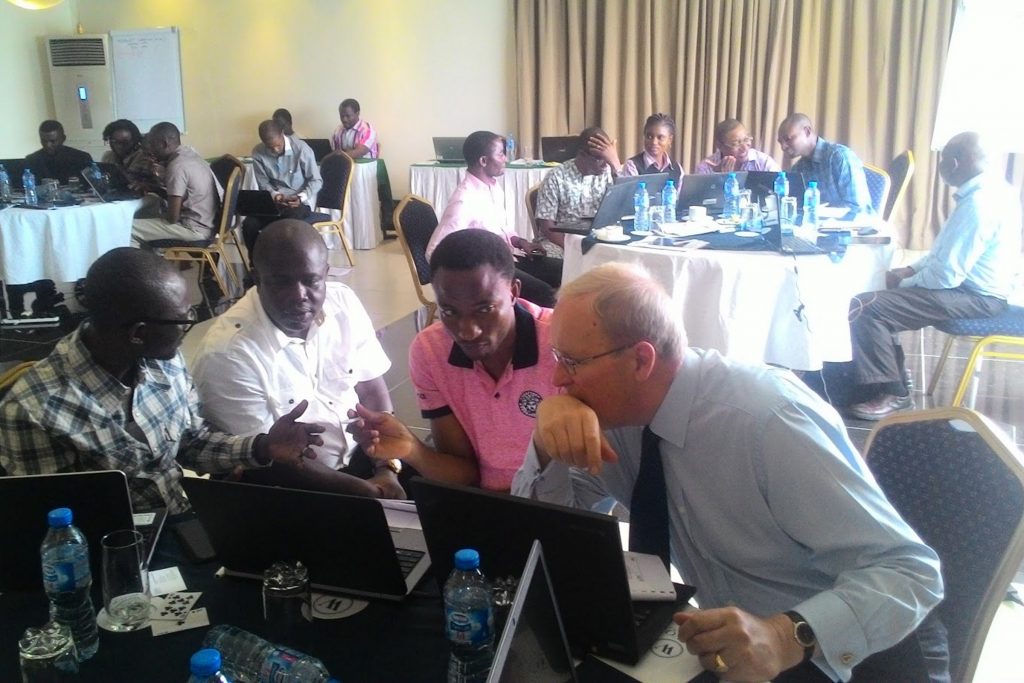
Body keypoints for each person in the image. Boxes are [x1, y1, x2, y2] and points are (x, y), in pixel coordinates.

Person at [511, 262, 946, 682]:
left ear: (641, 361)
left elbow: (911, 573)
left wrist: (784, 636)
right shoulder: (617, 417)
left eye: (573, 362)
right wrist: (547, 448)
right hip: (730, 651)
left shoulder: (768, 419)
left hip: (835, 653)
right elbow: (547, 543)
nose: (557, 378)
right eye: (557, 357)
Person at [0, 248, 325, 514]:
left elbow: (192, 443)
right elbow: (54, 526)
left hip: (181, 517)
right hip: (115, 549)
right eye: (181, 320)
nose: (187, 328)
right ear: (139, 333)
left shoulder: (163, 362)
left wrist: (264, 446)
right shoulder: (33, 410)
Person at [191, 220, 404, 499]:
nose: (298, 295)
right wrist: (367, 493)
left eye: (311, 280)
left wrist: (386, 467)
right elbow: (274, 459)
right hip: (286, 485)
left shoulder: (343, 303)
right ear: (257, 279)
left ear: (325, 274)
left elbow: (372, 391)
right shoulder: (227, 353)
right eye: (281, 282)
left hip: (363, 460)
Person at [352, 230, 559, 492]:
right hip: (481, 499)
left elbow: (582, 475)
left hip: (555, 497)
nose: (467, 331)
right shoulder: (431, 351)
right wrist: (412, 449)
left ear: (513, 291)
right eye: (449, 311)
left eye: (484, 309)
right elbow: (464, 474)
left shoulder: (560, 343)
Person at [845, 132, 1021, 420]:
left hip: (976, 297)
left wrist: (904, 282)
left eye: (942, 160)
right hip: (970, 288)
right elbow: (942, 252)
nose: (940, 167)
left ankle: (894, 392)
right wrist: (912, 269)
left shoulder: (979, 205)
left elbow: (946, 275)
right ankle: (895, 376)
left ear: (955, 162)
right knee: (881, 298)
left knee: (866, 306)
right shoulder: (991, 191)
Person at [426, 130, 561, 307]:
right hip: (490, 270)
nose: (505, 159)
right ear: (483, 161)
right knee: (545, 293)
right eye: (500, 154)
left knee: (564, 271)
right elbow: (434, 250)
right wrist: (472, 276)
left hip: (508, 257)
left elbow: (501, 228)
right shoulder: (464, 200)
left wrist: (521, 242)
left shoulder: (493, 187)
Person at [242, 120, 327, 256]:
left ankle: (287, 262)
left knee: (286, 224)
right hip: (274, 203)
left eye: (278, 145)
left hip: (299, 203)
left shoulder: (301, 149)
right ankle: (255, 263)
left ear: (282, 134)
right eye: (270, 147)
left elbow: (316, 180)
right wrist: (275, 195)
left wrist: (301, 197)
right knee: (249, 224)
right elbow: (263, 183)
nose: (275, 150)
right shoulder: (258, 152)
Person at [131, 122, 222, 245]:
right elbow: (185, 197)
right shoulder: (190, 155)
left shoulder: (176, 166)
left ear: (164, 144)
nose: (150, 150)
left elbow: (173, 218)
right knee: (149, 217)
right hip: (207, 224)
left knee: (128, 228)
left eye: (152, 145)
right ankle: (153, 256)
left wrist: (157, 218)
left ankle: (144, 258)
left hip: (192, 229)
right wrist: (154, 189)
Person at [535, 126, 621, 249]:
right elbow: (547, 227)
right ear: (582, 155)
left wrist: (616, 164)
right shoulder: (556, 176)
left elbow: (628, 208)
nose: (605, 164)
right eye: (599, 158)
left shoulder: (610, 173)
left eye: (607, 158)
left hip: (600, 240)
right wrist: (575, 249)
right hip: (561, 242)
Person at [777, 113, 872, 212]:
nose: (783, 147)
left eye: (787, 139)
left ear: (807, 132)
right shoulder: (798, 169)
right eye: (780, 142)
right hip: (816, 221)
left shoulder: (840, 157)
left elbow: (859, 208)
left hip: (854, 221)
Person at [695, 118, 781, 174]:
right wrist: (720, 177)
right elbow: (699, 196)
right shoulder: (706, 167)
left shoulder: (763, 162)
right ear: (720, 146)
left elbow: (781, 189)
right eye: (736, 144)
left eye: (746, 140)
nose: (744, 148)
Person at [100, 118, 162, 194]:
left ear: (135, 140)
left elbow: (131, 182)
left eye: (125, 142)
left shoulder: (144, 156)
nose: (119, 146)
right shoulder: (108, 156)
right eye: (114, 141)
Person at [621, 113, 684, 183]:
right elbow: (629, 190)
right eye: (649, 137)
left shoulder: (677, 168)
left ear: (670, 140)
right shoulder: (632, 166)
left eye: (660, 138)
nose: (654, 142)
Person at [25, 120, 92, 184]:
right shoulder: (32, 160)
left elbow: (91, 186)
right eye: (44, 141)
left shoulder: (81, 158)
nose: (48, 145)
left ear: (63, 138)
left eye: (53, 141)